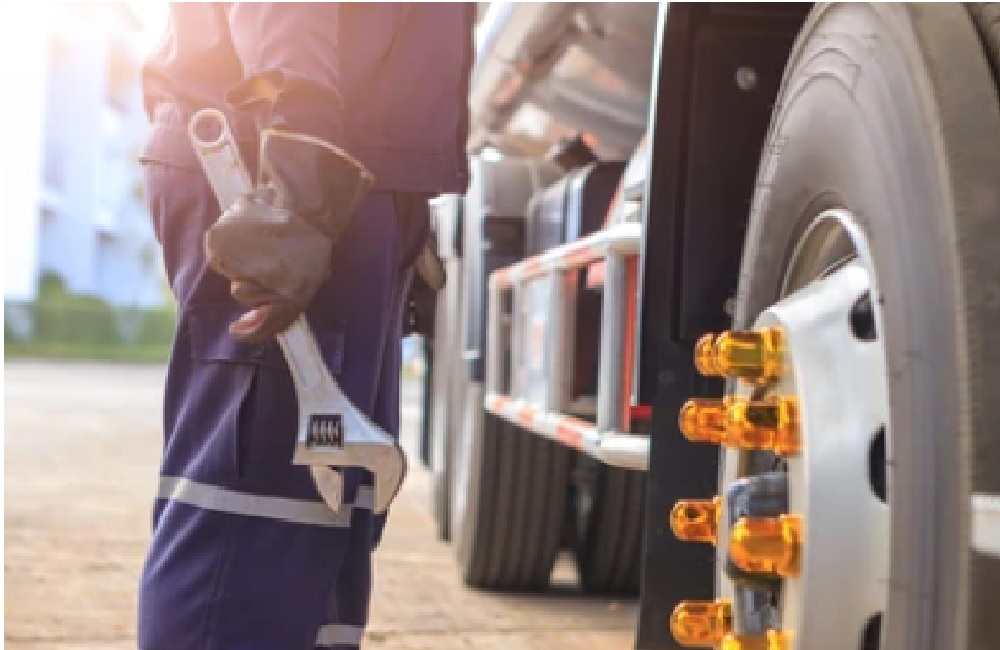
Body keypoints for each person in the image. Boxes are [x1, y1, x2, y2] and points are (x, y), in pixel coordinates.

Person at [136, 5, 475, 649]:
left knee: (326, 520)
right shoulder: (300, 157)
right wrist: (299, 166)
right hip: (278, 161)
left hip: (345, 170)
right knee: (251, 524)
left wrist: (405, 215)